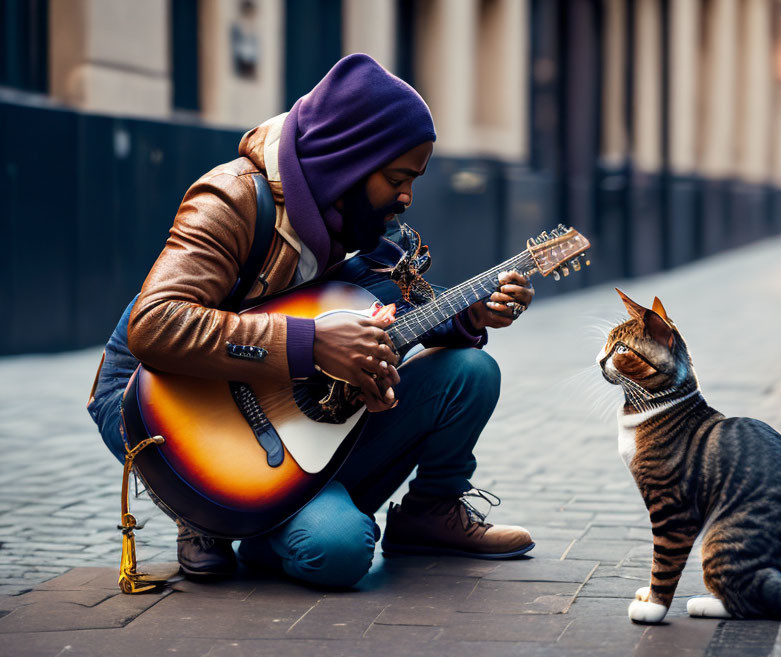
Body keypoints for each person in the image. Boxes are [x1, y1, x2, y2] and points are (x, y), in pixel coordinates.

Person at [86, 54, 536, 588]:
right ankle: (225, 511)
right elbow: (157, 324)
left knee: (470, 371)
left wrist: (472, 314)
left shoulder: (362, 225)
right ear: (349, 160)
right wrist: (311, 343)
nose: (407, 196)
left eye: (414, 179)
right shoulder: (230, 199)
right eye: (397, 177)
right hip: (160, 402)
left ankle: (420, 514)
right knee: (338, 553)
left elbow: (395, 308)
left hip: (289, 411)